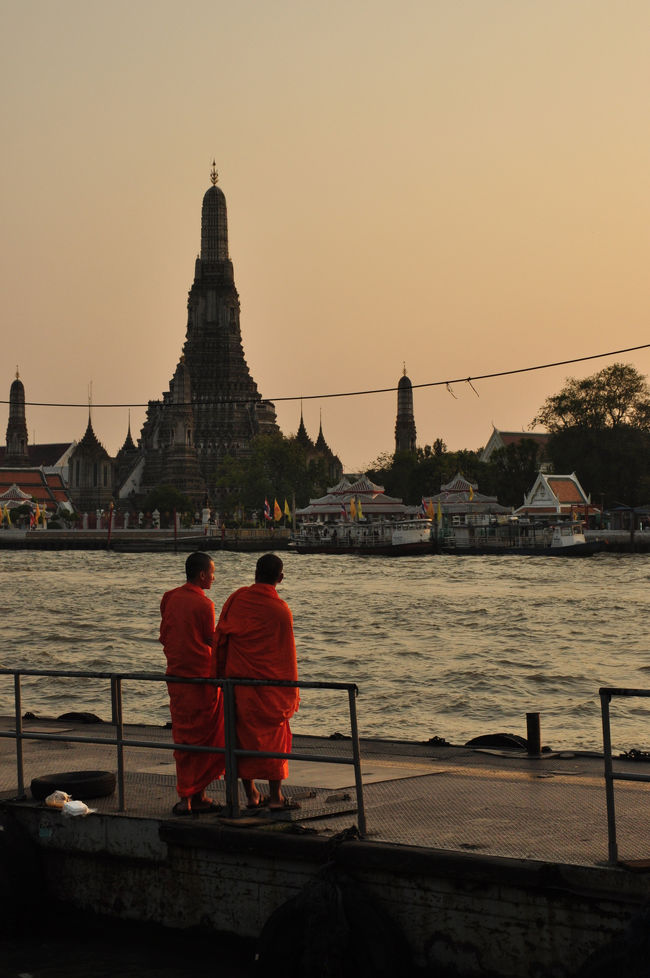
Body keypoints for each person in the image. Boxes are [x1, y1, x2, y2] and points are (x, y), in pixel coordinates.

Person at [215, 553, 300, 811]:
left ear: (255, 574)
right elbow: (286, 656)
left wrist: (219, 676)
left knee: (241, 740)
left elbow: (221, 639)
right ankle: (275, 798)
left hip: (239, 688)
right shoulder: (280, 610)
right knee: (276, 740)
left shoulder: (237, 599)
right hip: (271, 690)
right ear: (280, 578)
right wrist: (291, 692)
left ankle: (251, 794)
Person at [160, 551, 225, 815]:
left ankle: (194, 796)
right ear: (202, 575)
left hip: (177, 677)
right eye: (212, 572)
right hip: (200, 679)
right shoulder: (204, 605)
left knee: (185, 737)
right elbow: (211, 641)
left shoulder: (169, 598)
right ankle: (190, 796)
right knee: (204, 739)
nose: (213, 576)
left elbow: (166, 635)